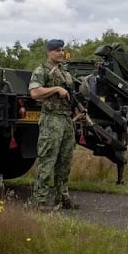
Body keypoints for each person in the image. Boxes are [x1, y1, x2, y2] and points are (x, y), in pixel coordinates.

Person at [27, 38, 79, 210]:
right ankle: (39, 200)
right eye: (57, 50)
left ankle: (62, 197)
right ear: (49, 52)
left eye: (62, 50)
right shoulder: (42, 70)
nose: (61, 53)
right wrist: (56, 89)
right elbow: (35, 92)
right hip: (51, 119)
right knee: (47, 160)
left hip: (66, 120)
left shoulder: (65, 72)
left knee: (65, 161)